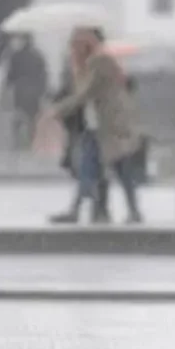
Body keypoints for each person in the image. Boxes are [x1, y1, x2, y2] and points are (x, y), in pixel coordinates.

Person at [51, 28, 145, 224]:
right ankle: (78, 210)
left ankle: (131, 212)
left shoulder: (99, 62)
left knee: (121, 170)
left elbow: (85, 93)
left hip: (110, 127)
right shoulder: (87, 64)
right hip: (95, 127)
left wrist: (59, 110)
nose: (72, 49)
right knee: (88, 169)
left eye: (76, 45)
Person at [4, 34, 48, 150]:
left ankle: (17, 139)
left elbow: (10, 75)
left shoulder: (16, 56)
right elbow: (43, 75)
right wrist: (42, 90)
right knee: (32, 118)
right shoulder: (38, 56)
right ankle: (31, 139)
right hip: (34, 91)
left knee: (19, 115)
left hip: (20, 90)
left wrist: (7, 85)